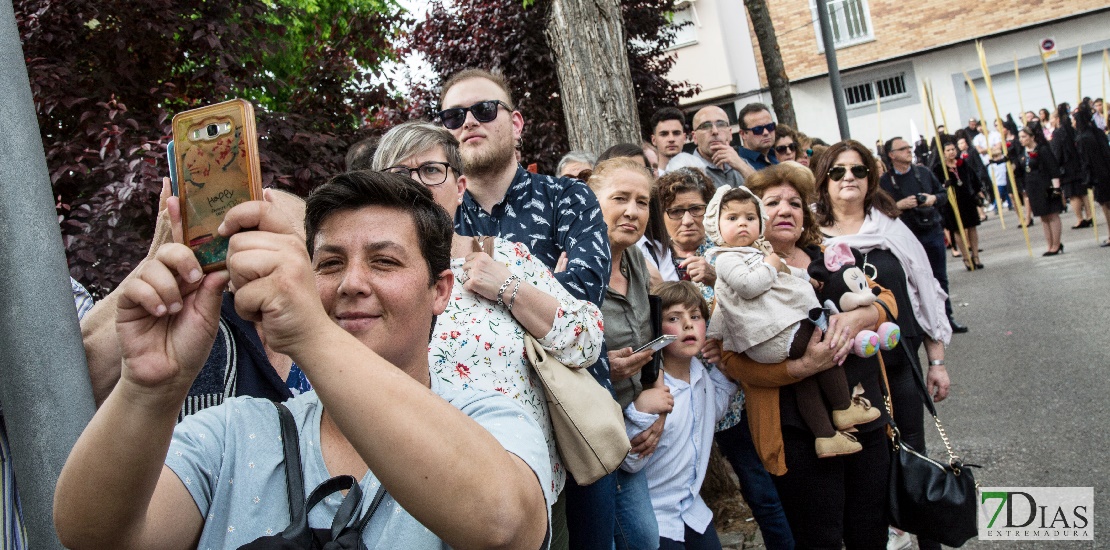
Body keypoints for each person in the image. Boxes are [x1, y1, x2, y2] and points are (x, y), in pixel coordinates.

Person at [54, 171, 552, 549]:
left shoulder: (490, 420)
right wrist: (149, 388)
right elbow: (95, 534)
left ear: (440, 290)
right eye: (329, 264)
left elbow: (504, 525)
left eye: (384, 261)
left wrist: (311, 334)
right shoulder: (231, 432)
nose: (351, 283)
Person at [372, 121, 606, 544]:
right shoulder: (360, 280)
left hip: (524, 495)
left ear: (459, 186)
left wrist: (509, 288)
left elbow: (586, 340)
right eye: (397, 174)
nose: (415, 185)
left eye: (430, 170)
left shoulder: (502, 255)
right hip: (410, 502)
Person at [437, 68, 613, 547]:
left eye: (484, 110)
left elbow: (582, 299)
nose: (468, 121)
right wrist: (541, 289)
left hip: (572, 415)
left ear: (515, 124)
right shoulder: (438, 215)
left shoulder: (569, 197)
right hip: (481, 432)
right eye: (454, 115)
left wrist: (503, 284)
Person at [710, 161, 895, 548]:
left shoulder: (828, 255)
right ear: (756, 217)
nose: (785, 210)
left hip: (864, 411)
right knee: (819, 536)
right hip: (794, 427)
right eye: (772, 202)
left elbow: (887, 300)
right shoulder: (734, 274)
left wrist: (861, 314)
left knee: (869, 528)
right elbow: (729, 359)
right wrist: (800, 367)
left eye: (795, 203)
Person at [815, 140, 954, 550]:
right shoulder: (812, 239)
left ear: (870, 178)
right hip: (847, 375)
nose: (848, 179)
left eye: (857, 171)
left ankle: (928, 542)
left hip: (900, 361)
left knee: (915, 457)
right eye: (838, 172)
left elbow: (925, 292)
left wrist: (937, 361)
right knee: (867, 473)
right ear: (824, 180)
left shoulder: (892, 229)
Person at [651, 167, 795, 548]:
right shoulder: (651, 259)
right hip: (673, 400)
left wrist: (716, 278)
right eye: (675, 210)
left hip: (729, 394)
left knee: (760, 487)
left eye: (696, 209)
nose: (686, 219)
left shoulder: (732, 252)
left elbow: (764, 312)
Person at [702, 184, 879, 456]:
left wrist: (811, 281)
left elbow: (880, 297)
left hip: (781, 336)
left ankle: (826, 436)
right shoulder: (725, 259)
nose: (742, 225)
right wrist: (773, 264)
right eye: (732, 218)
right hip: (770, 337)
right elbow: (751, 285)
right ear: (716, 224)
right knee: (824, 334)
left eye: (750, 218)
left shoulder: (816, 253)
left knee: (807, 376)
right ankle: (844, 406)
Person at [587, 157, 671, 549]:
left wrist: (658, 410)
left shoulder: (638, 260)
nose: (632, 211)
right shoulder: (571, 267)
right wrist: (605, 368)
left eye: (642, 202)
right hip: (589, 437)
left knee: (643, 540)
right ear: (591, 198)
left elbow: (655, 338)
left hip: (632, 430)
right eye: (620, 198)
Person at [623, 281, 737, 550]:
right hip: (655, 517)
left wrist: (723, 368)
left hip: (691, 508)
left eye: (695, 317)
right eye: (674, 318)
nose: (688, 325)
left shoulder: (700, 374)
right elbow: (630, 463)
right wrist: (641, 412)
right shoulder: (650, 389)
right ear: (655, 329)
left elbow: (714, 411)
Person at [880, 136, 969, 333]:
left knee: (939, 277)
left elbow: (943, 195)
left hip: (931, 231)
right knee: (911, 282)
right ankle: (920, 323)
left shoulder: (924, 172)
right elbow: (878, 211)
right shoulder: (885, 182)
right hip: (905, 238)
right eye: (903, 149)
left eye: (909, 147)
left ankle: (946, 318)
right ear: (891, 155)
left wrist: (932, 199)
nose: (909, 151)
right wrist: (898, 206)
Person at [666, 105, 751, 186]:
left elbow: (763, 193)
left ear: (730, 134)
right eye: (706, 126)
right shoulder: (685, 170)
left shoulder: (742, 163)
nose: (715, 131)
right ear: (695, 137)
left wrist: (742, 166)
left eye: (721, 124)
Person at [933, 140, 985, 270]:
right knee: (957, 229)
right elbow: (936, 186)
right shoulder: (940, 168)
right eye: (948, 150)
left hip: (967, 199)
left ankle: (976, 256)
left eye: (953, 149)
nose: (951, 152)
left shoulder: (963, 164)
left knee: (972, 226)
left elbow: (973, 178)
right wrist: (945, 185)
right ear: (943, 153)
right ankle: (966, 257)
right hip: (951, 202)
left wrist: (978, 192)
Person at [1018, 122, 1065, 255]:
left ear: (1032, 137)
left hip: (1046, 185)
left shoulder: (1042, 149)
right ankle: (1049, 244)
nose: (1021, 139)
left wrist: (1056, 188)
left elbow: (1053, 169)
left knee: (1052, 214)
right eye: (1020, 137)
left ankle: (1056, 244)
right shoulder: (1023, 153)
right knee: (1043, 216)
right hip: (1033, 187)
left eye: (1024, 136)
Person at [1050, 104, 1091, 229]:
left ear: (1057, 119)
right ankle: (1090, 215)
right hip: (1078, 163)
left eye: (1052, 119)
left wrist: (1055, 165)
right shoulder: (1072, 129)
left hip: (1067, 167)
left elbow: (1057, 152)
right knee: (1083, 192)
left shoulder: (1058, 133)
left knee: (1073, 194)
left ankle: (1080, 218)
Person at [1075, 102, 1110, 246]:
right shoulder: (1097, 132)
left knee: (1106, 206)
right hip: (1106, 172)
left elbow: (1088, 161)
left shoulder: (1084, 138)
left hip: (1100, 176)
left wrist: (1089, 178)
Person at [736, 103, 778, 170]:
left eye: (770, 127)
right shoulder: (738, 164)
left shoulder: (777, 155)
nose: (766, 132)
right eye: (758, 129)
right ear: (743, 134)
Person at [650, 107, 689, 173]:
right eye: (664, 134)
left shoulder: (700, 176)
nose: (671, 139)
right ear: (654, 140)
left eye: (676, 133)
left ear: (684, 138)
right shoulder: (648, 180)